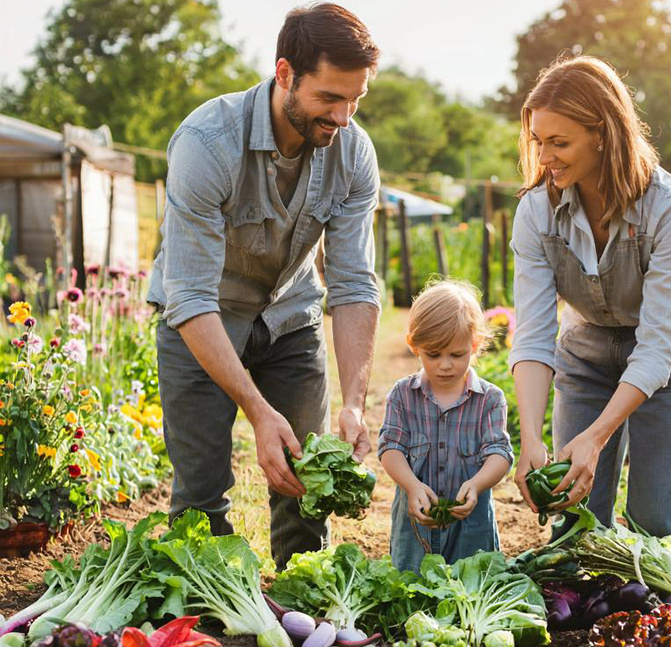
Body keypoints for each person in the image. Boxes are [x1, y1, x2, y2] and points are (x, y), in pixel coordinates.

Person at [146, 4, 382, 569]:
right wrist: (256, 411)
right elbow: (192, 295)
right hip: (201, 320)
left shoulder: (353, 152)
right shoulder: (207, 143)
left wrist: (353, 401)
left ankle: (302, 601)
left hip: (289, 316)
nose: (344, 117)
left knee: (308, 487)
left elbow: (352, 283)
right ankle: (210, 606)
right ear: (285, 75)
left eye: (355, 99)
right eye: (330, 98)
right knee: (200, 501)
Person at [509, 56, 671, 538]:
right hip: (588, 351)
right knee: (574, 527)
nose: (544, 157)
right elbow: (535, 334)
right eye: (539, 141)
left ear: (602, 134)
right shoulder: (537, 212)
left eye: (560, 143)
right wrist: (531, 438)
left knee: (655, 526)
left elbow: (659, 344)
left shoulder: (669, 208)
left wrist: (596, 437)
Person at [378, 281, 513, 573]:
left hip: (471, 528)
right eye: (433, 354)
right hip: (415, 528)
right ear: (414, 346)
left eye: (457, 354)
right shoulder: (403, 395)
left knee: (471, 593)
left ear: (475, 346)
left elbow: (500, 453)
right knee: (412, 594)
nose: (445, 365)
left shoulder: (489, 399)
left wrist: (476, 485)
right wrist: (412, 486)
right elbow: (390, 449)